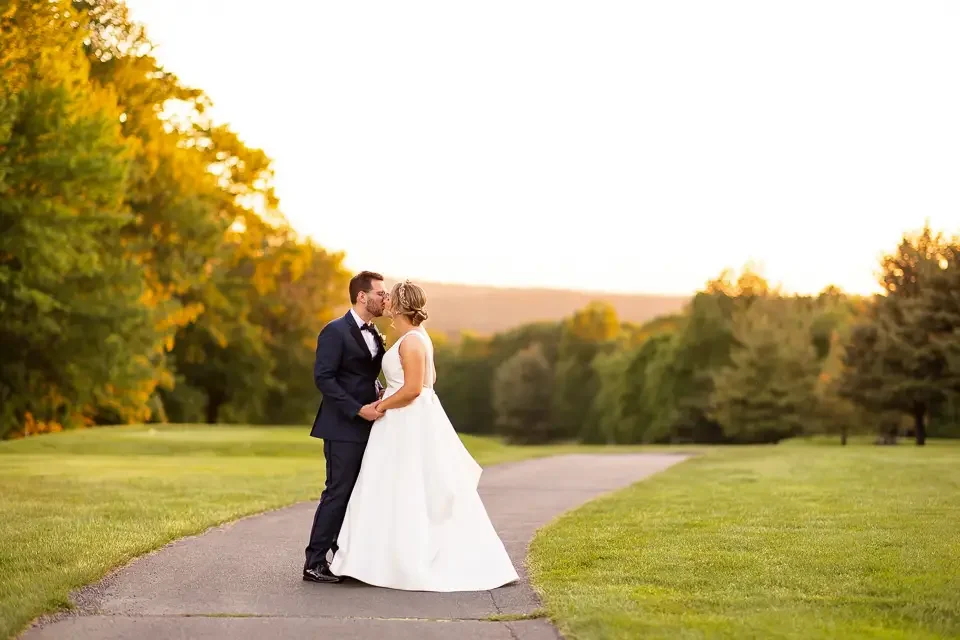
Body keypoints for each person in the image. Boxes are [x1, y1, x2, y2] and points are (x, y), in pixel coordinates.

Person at [328, 280, 519, 591]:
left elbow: (415, 389)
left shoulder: (413, 341)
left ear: (400, 306)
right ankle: (374, 559)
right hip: (401, 420)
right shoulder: (413, 337)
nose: (385, 300)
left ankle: (398, 560)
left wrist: (380, 405)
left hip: (403, 421)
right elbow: (428, 379)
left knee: (402, 486)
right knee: (387, 485)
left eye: (390, 297)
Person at [303, 271, 389, 584]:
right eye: (380, 292)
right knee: (338, 493)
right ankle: (314, 562)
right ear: (362, 296)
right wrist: (356, 409)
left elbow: (362, 374)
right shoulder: (334, 331)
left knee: (358, 494)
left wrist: (379, 391)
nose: (384, 297)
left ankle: (343, 557)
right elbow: (324, 378)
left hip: (371, 424)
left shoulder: (375, 332)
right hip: (342, 426)